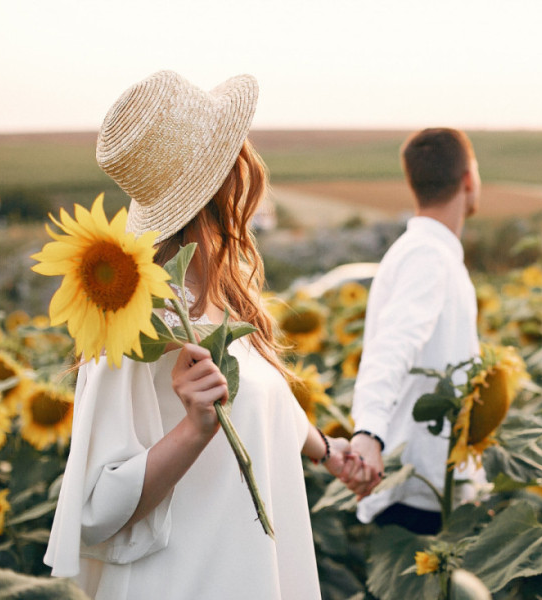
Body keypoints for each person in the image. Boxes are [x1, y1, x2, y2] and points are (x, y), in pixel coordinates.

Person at [43, 70, 374, 599]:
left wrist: (327, 450)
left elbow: (261, 397)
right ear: (223, 182)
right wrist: (193, 431)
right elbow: (91, 507)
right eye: (233, 152)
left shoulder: (219, 294)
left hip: (251, 571)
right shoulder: (134, 319)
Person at [342, 128, 485, 535]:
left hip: (434, 484)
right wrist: (368, 431)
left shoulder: (426, 252)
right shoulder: (427, 255)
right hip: (417, 492)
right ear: (468, 181)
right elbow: (394, 344)